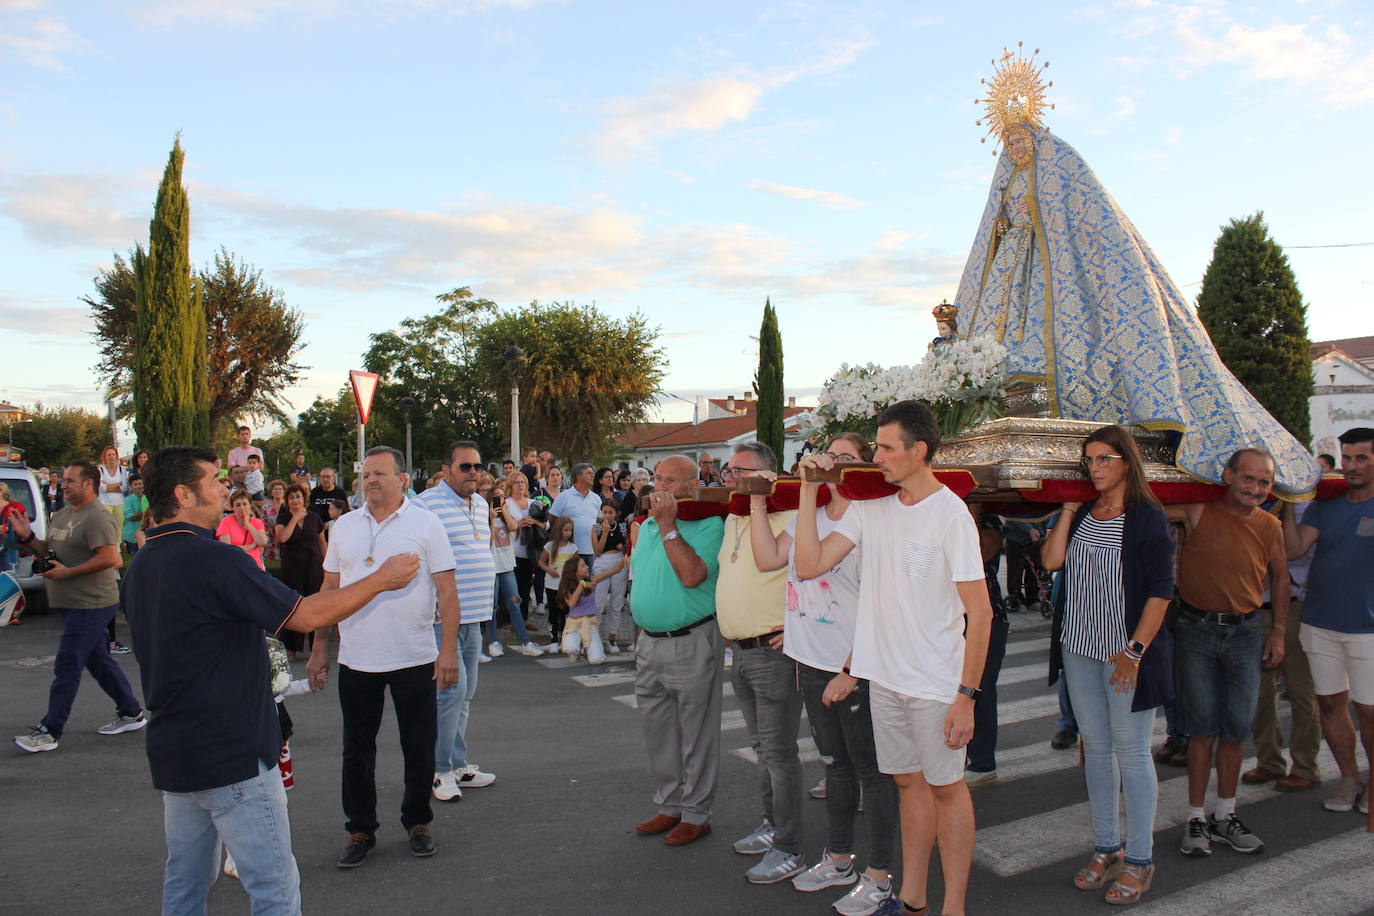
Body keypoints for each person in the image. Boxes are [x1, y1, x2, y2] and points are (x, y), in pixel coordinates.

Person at [952, 86, 1318, 498]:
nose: (1016, 147)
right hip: (1016, 261)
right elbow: (992, 226)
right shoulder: (1007, 180)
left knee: (1051, 330)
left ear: (1035, 139)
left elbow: (1079, 212)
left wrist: (1042, 221)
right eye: (1010, 142)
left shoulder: (1059, 167)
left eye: (1021, 139)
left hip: (1057, 263)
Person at [120, 444, 421, 915]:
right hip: (233, 754)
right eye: (214, 480)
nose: (226, 487)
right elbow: (304, 614)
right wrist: (382, 579)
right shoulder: (216, 559)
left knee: (185, 886)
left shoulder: (139, 567)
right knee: (274, 892)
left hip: (176, 753)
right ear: (182, 494)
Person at [793, 400, 992, 916]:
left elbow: (981, 614)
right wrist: (811, 490)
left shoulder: (950, 515)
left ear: (918, 450)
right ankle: (913, 897)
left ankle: (955, 907)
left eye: (885, 447)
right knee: (907, 784)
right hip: (884, 679)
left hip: (935, 683)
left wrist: (966, 698)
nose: (876, 456)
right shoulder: (869, 508)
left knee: (947, 789)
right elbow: (809, 563)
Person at [748, 432, 900, 915]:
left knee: (870, 771)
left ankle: (879, 873)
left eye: (848, 458)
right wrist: (757, 500)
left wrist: (853, 667)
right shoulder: (805, 516)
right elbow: (769, 558)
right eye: (830, 456)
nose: (834, 464)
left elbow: (879, 598)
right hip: (810, 661)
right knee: (834, 764)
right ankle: (839, 858)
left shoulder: (868, 517)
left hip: (854, 664)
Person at [1041, 425, 1175, 904]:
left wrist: (1135, 653)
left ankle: (1140, 859)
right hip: (1078, 646)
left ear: (1126, 462)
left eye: (1104, 459)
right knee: (1095, 749)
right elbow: (1052, 561)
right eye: (1089, 461)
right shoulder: (1082, 516)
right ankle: (1106, 847)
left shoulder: (1147, 518)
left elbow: (1160, 591)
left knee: (1133, 752)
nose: (1095, 468)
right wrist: (1069, 507)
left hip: (1124, 652)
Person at [307, 446, 460, 866]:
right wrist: (320, 647)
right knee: (356, 749)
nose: (370, 480)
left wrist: (447, 650)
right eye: (365, 474)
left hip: (414, 655)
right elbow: (329, 591)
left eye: (379, 473)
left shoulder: (426, 523)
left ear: (402, 479)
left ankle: (418, 821)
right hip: (357, 658)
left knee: (419, 746)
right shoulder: (343, 527)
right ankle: (360, 829)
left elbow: (447, 591)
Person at [1167, 448, 1288, 857]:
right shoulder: (1198, 510)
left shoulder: (1271, 525)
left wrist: (1280, 633)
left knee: (1236, 728)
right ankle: (1197, 818)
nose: (1256, 488)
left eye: (1264, 482)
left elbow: (1281, 579)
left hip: (1247, 632)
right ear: (1228, 475)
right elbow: (1147, 505)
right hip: (1195, 630)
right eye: (1248, 478)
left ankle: (1226, 814)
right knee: (1201, 729)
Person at [716, 441, 807, 884]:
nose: (730, 478)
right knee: (762, 751)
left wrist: (800, 626)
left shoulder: (793, 516)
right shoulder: (735, 517)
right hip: (740, 651)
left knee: (779, 753)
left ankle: (789, 847)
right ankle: (772, 826)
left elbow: (817, 577)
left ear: (769, 476)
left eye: (741, 472)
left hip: (773, 653)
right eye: (728, 471)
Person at [11, 462, 147, 753]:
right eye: (63, 481)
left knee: (67, 664)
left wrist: (67, 573)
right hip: (72, 603)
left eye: (70, 481)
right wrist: (28, 537)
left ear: (89, 484)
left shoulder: (97, 517)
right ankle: (131, 712)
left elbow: (112, 559)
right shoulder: (62, 514)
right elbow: (50, 550)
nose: (63, 484)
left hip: (91, 603)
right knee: (98, 660)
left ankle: (50, 730)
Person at [1280, 426, 1374, 825]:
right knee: (1331, 705)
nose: (1351, 466)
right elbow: (1294, 548)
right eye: (1347, 457)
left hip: (1368, 630)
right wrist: (1287, 501)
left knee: (1369, 712)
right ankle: (1350, 779)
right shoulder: (1325, 506)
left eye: (1361, 458)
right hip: (1319, 624)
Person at [630, 455, 725, 846]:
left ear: (692, 485)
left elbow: (692, 576)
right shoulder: (648, 525)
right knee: (659, 733)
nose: (660, 488)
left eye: (671, 481)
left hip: (691, 639)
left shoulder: (709, 524)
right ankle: (669, 805)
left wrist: (669, 527)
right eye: (657, 480)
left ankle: (696, 813)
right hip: (649, 642)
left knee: (696, 734)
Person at [413, 441, 500, 801]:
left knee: (466, 695)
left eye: (476, 466)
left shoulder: (480, 504)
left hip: (476, 616)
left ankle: (456, 762)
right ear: (446, 468)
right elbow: (415, 555)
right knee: (450, 694)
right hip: (442, 620)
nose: (473, 473)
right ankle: (439, 771)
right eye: (465, 467)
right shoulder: (425, 504)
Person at [1244, 489, 1321, 793]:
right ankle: (1269, 760)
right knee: (1260, 694)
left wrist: (1286, 506)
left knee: (1301, 690)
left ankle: (1305, 765)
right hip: (1254, 607)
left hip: (1293, 607)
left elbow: (1292, 550)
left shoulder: (1306, 507)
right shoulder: (1250, 502)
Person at [487, 475, 543, 658]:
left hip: (507, 564)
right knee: (493, 606)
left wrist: (503, 512)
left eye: (502, 496)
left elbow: (513, 527)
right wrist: (490, 517)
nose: (500, 500)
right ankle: (493, 641)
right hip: (491, 566)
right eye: (496, 496)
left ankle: (526, 641)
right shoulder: (485, 517)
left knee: (515, 602)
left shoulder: (506, 514)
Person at [275, 484, 327, 657]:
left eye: (298, 497)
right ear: (287, 501)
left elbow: (321, 542)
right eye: (291, 497)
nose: (295, 500)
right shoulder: (283, 518)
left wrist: (327, 564)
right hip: (292, 568)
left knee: (315, 604)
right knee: (293, 606)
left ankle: (315, 647)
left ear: (304, 499)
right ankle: (291, 648)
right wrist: (294, 518)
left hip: (314, 565)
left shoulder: (314, 517)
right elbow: (282, 537)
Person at [503, 472, 547, 624]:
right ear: (510, 485)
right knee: (513, 589)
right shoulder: (506, 504)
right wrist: (519, 525)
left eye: (522, 482)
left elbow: (546, 525)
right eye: (517, 482)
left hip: (530, 552)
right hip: (512, 551)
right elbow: (502, 528)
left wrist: (534, 522)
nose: (520, 485)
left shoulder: (533, 503)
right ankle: (512, 620)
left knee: (525, 589)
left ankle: (523, 620)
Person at [592, 498, 629, 654]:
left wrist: (624, 547)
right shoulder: (596, 528)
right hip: (602, 561)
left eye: (610, 512)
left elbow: (628, 545)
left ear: (616, 513)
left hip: (619, 561)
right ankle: (595, 638)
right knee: (599, 603)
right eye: (605, 512)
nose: (607, 515)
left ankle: (612, 639)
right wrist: (605, 533)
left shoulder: (622, 527)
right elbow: (597, 550)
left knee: (617, 602)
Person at [539, 516, 578, 653]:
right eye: (565, 530)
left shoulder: (573, 548)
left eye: (570, 530)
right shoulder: (550, 546)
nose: (568, 533)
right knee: (553, 613)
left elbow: (575, 567)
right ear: (559, 530)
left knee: (565, 613)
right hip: (552, 585)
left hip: (566, 587)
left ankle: (564, 640)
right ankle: (553, 640)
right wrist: (549, 569)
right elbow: (541, 562)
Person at [557, 554, 605, 663]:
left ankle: (587, 649)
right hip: (574, 624)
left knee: (596, 660)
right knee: (570, 648)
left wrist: (621, 562)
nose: (587, 567)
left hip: (590, 623)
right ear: (574, 571)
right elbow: (571, 603)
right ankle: (576, 650)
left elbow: (610, 573)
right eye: (583, 566)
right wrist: (581, 585)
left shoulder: (591, 581)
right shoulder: (567, 586)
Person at [551, 463, 602, 563]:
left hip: (591, 552)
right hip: (569, 552)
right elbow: (552, 519)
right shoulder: (564, 496)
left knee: (588, 579)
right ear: (578, 476)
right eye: (589, 473)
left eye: (593, 473)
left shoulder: (596, 498)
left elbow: (599, 522)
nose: (593, 475)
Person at [217, 489, 268, 571]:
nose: (242, 507)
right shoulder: (226, 521)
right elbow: (227, 548)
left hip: (254, 566)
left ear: (250, 505)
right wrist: (252, 546)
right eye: (238, 505)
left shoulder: (257, 522)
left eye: (245, 504)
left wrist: (248, 525)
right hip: (234, 566)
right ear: (232, 507)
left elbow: (262, 542)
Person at [97, 445, 128, 531]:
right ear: (105, 457)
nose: (111, 457)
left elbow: (124, 488)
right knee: (106, 528)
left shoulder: (122, 469)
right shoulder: (100, 470)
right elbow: (102, 488)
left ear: (117, 456)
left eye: (113, 454)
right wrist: (118, 484)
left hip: (120, 503)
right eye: (109, 455)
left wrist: (108, 486)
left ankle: (118, 544)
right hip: (105, 503)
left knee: (119, 528)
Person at [122, 474, 147, 557]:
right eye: (135, 484)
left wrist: (138, 515)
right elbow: (130, 517)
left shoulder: (146, 498)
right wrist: (145, 514)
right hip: (131, 536)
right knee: (135, 559)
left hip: (145, 534)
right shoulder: (127, 501)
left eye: (140, 484)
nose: (138, 486)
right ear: (130, 487)